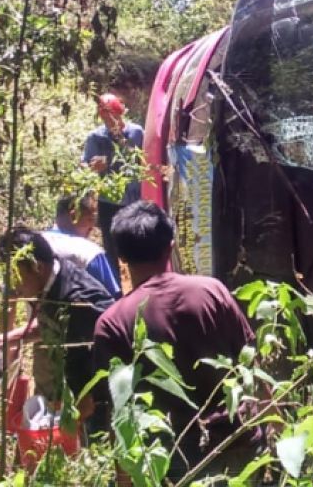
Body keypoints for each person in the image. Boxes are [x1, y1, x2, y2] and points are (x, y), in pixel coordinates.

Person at [93, 201, 257, 477]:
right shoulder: (212, 291)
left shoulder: (112, 323)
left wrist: (125, 476)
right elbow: (251, 360)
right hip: (236, 443)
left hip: (170, 462)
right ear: (171, 246)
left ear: (120, 256)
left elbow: (119, 414)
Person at [0, 227, 114, 435]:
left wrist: (77, 414)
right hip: (81, 379)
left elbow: (90, 363)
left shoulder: (77, 303)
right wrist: (8, 338)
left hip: (104, 387)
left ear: (37, 267)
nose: (11, 284)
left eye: (15, 275)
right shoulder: (51, 281)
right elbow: (51, 325)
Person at [44, 194, 122, 299]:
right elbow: (113, 298)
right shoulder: (88, 252)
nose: (92, 228)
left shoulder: (34, 244)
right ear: (74, 216)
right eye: (90, 219)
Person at [81, 93, 145, 206]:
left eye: (114, 116)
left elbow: (148, 159)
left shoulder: (137, 133)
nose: (110, 121)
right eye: (105, 118)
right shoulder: (95, 137)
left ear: (120, 113)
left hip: (135, 200)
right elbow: (84, 166)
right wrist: (93, 167)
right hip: (107, 201)